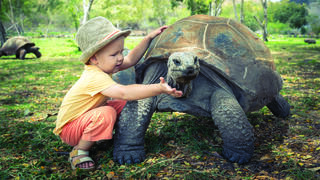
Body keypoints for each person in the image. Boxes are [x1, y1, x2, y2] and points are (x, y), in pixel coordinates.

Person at [53, 16, 182, 170]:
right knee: (107, 112)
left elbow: (131, 60)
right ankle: (79, 150)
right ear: (94, 58)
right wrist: (159, 88)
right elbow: (124, 92)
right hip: (70, 129)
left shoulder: (104, 65)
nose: (120, 57)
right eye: (114, 54)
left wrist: (148, 38)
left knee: (125, 105)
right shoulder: (94, 76)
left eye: (121, 51)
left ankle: (109, 135)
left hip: (84, 119)